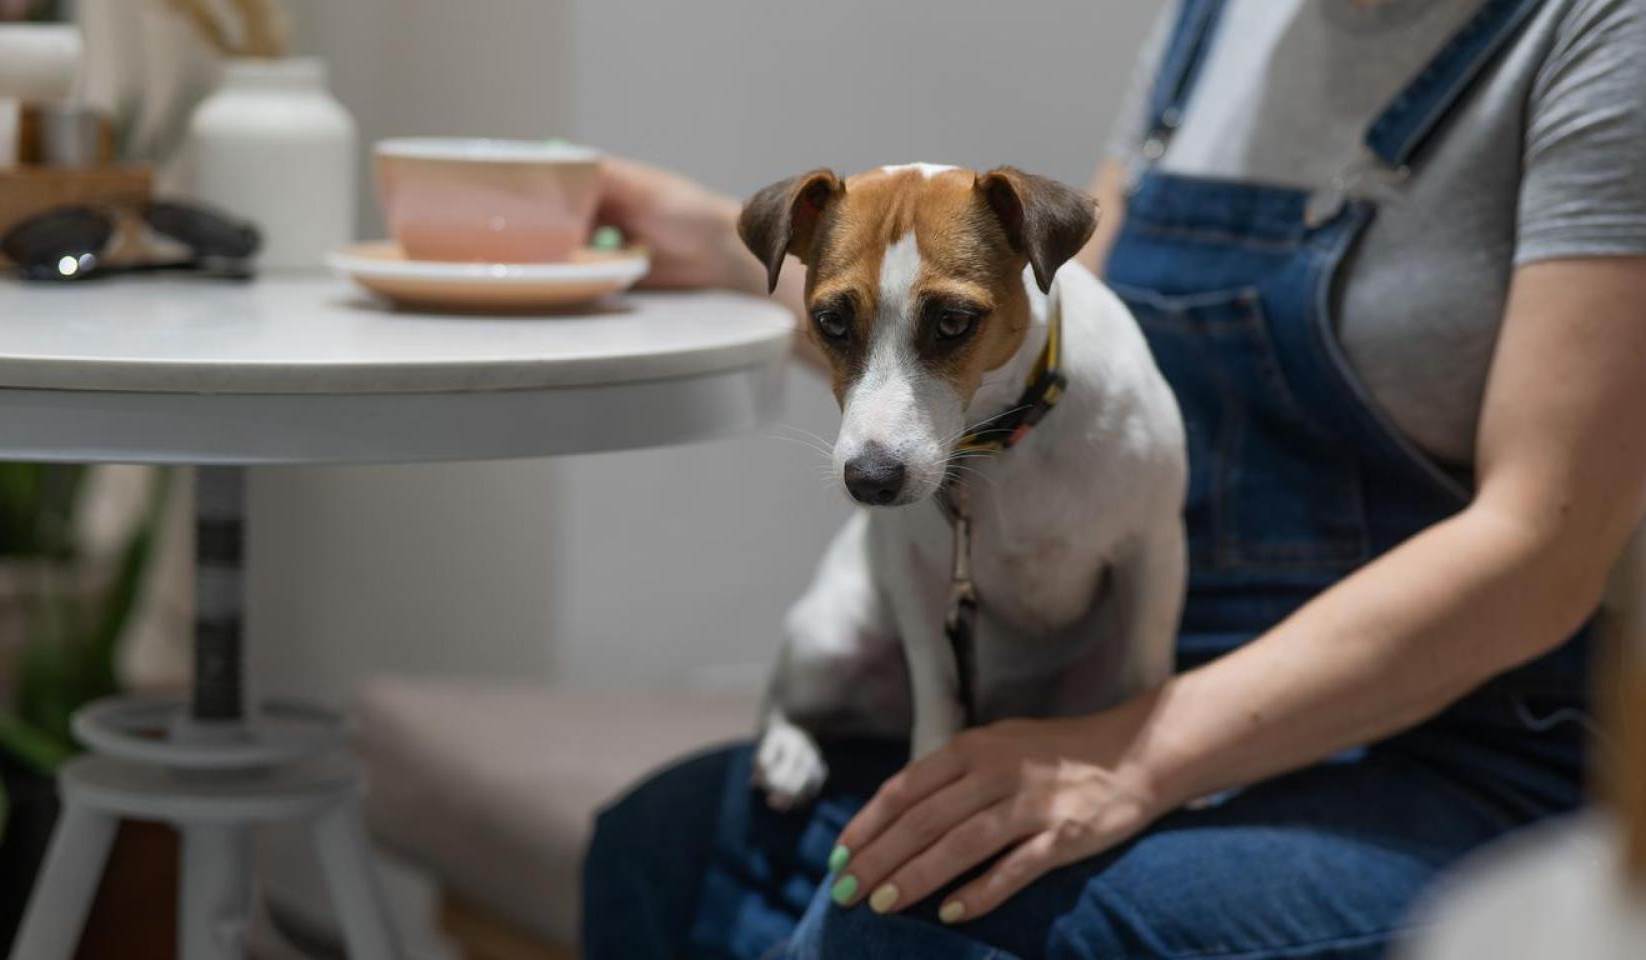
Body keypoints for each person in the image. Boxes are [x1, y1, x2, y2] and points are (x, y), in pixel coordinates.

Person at [583, 0, 1646, 957]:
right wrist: (727, 254)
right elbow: (1034, 324)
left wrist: (1126, 757)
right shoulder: (1214, 20)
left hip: (1438, 743)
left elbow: (1540, 551)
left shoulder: (1602, 36)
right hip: (1144, 668)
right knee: (665, 842)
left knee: (912, 922)